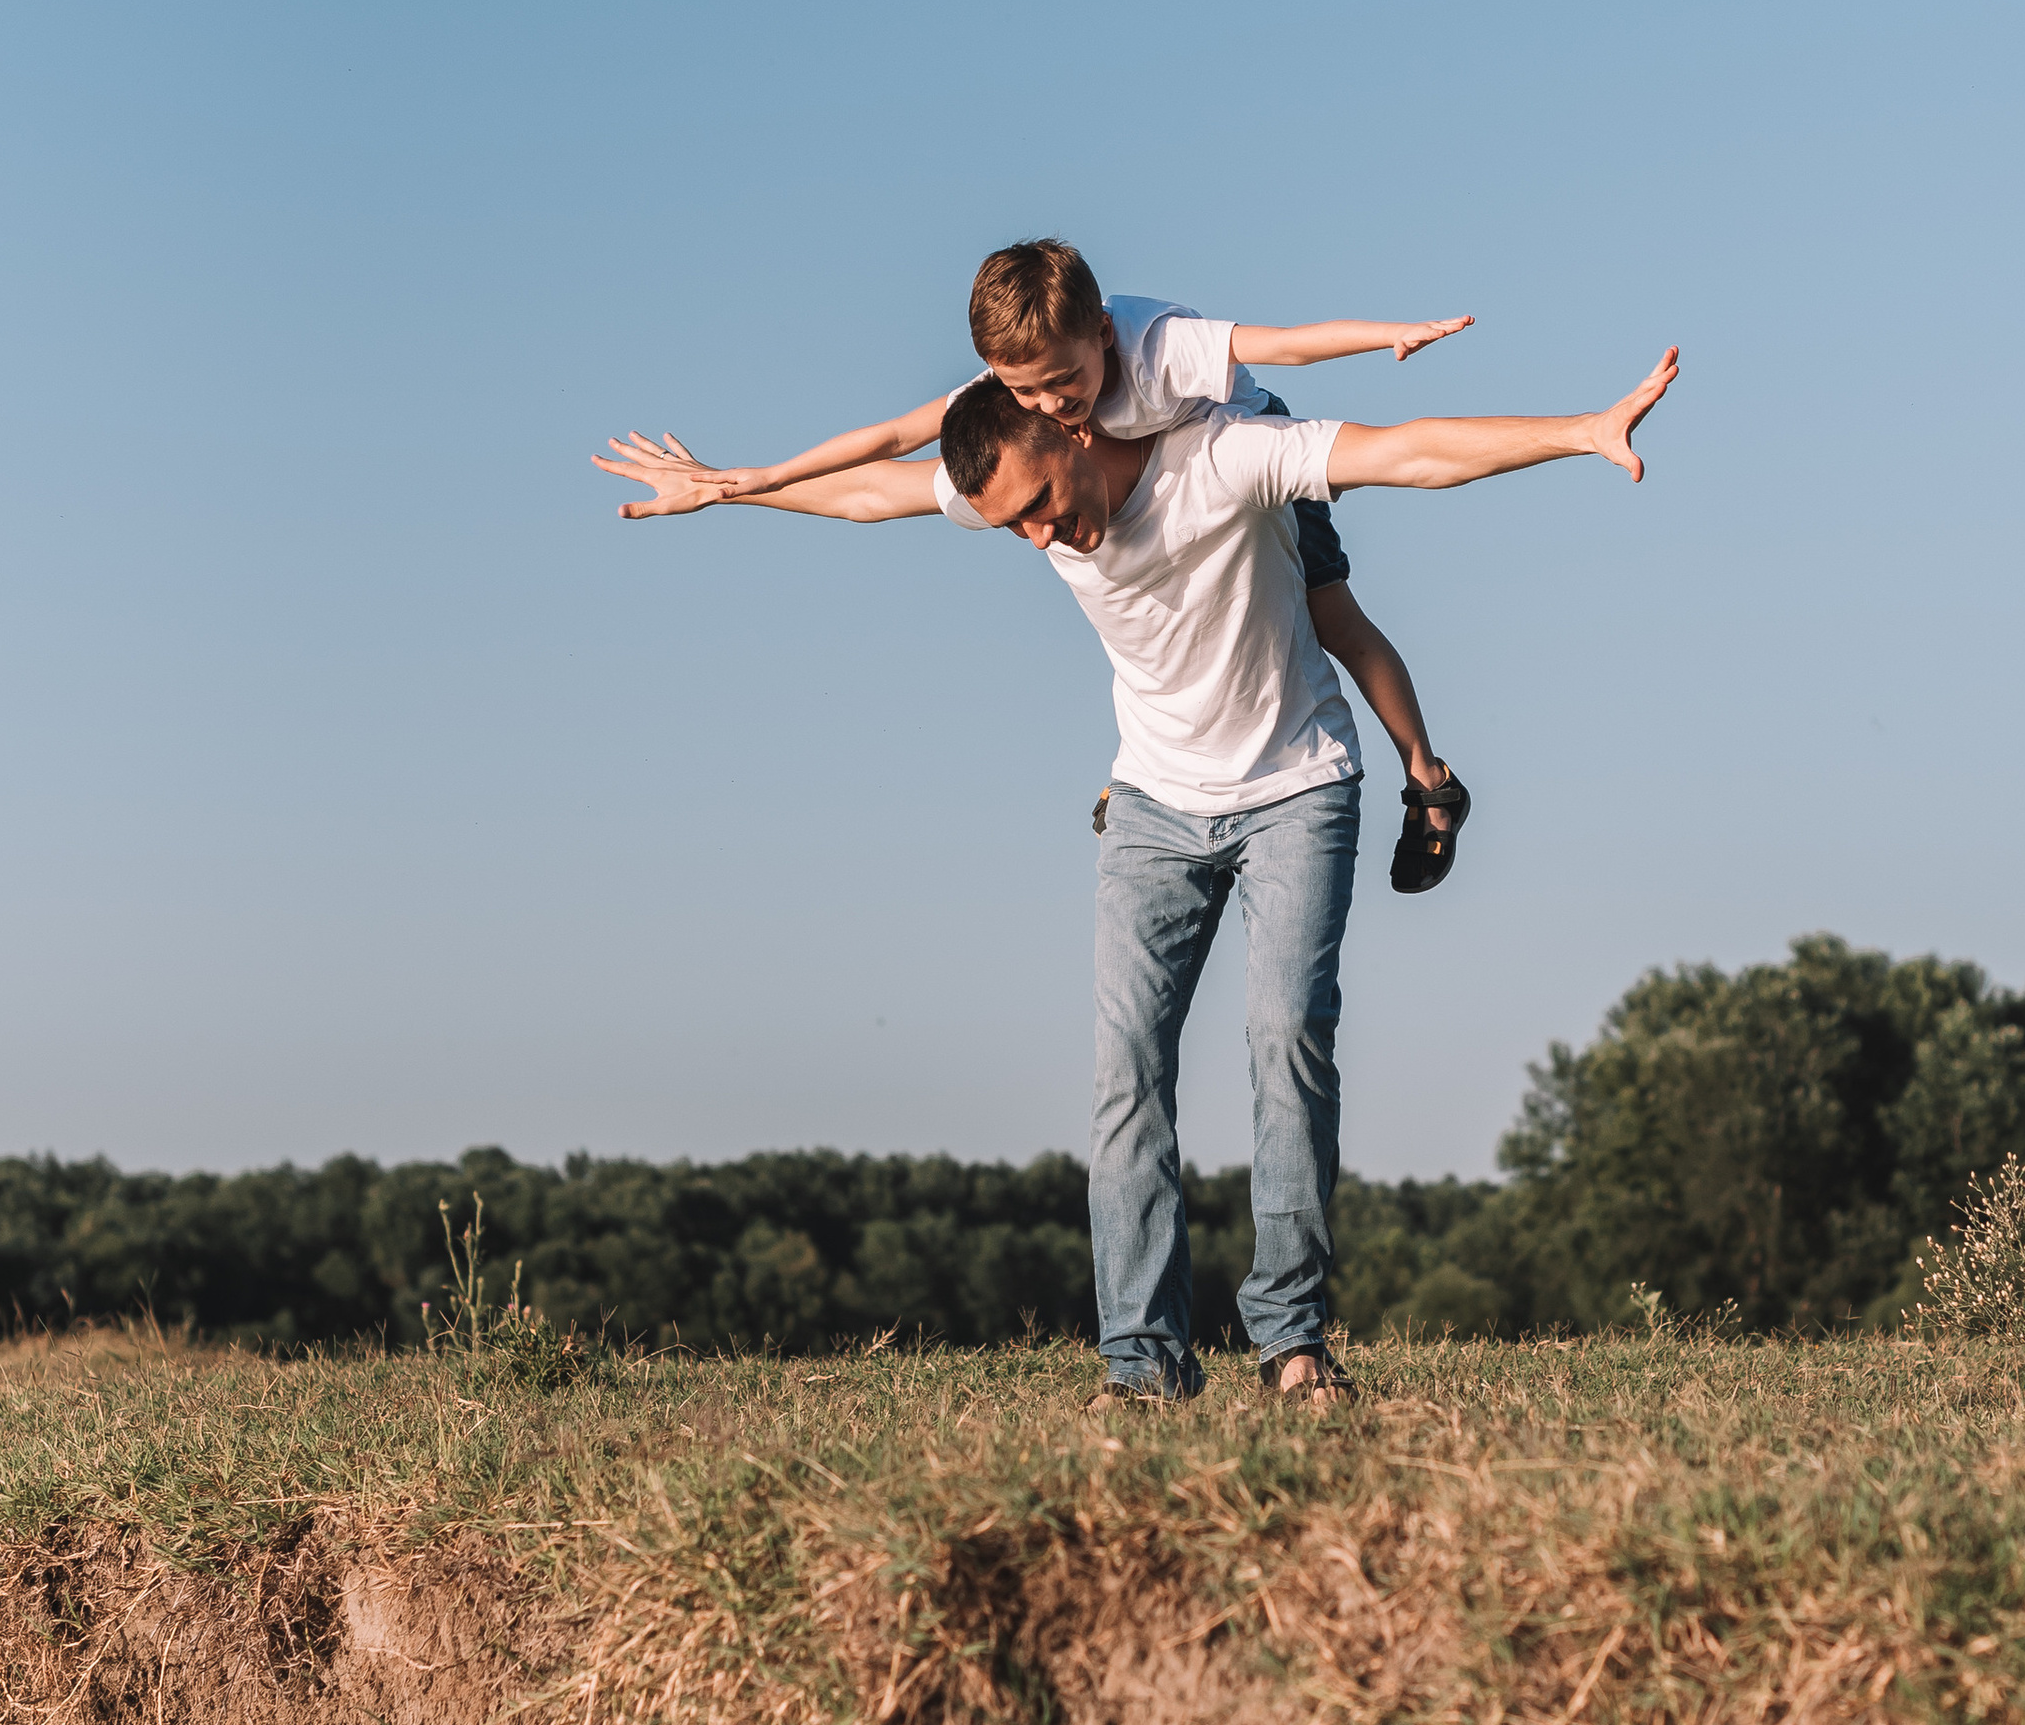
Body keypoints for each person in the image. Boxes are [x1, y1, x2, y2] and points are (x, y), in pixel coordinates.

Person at [595, 346, 1680, 1402]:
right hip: (1154, 806)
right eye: (1010, 522)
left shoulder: (1222, 459)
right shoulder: (1016, 492)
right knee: (1127, 1072)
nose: (1035, 537)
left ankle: (1292, 1341)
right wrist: (732, 490)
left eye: (1041, 506)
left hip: (1295, 787)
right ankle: (1142, 1363)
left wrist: (1577, 433)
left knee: (1285, 1038)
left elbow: (1409, 451)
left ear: (1073, 427)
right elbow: (872, 493)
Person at [596, 240, 1481, 895]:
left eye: (1065, 383)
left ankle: (1428, 779)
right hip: (1142, 516)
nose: (1051, 406)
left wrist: (1388, 335)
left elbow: (1282, 342)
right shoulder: (1013, 397)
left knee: (1333, 618)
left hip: (1243, 450)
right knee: (1132, 596)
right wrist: (746, 482)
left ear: (1100, 337)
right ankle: (1150, 783)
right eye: (1025, 392)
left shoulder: (1157, 348)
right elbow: (884, 458)